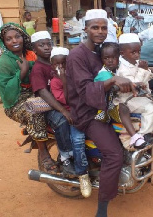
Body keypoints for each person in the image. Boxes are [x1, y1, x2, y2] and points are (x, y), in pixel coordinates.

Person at [65, 9, 136, 217]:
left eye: (104, 27)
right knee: (114, 154)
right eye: (95, 27)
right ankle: (102, 210)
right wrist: (113, 81)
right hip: (87, 113)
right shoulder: (77, 56)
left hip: (105, 105)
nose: (100, 31)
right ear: (85, 28)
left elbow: (114, 70)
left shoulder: (100, 51)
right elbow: (86, 90)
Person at [0, 23, 57, 173]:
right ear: (4, 42)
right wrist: (22, 72)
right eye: (9, 39)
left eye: (17, 36)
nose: (14, 41)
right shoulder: (4, 63)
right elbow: (7, 93)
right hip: (16, 102)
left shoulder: (32, 54)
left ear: (23, 37)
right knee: (34, 110)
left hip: (36, 92)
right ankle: (44, 153)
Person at [49, 46, 92, 198]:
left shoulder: (78, 76)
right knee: (78, 139)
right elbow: (66, 100)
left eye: (63, 64)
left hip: (84, 112)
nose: (60, 67)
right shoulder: (55, 82)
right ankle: (83, 175)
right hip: (73, 115)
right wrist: (64, 80)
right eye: (56, 64)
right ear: (52, 65)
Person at [94, 42, 147, 148]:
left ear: (119, 57)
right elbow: (117, 85)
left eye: (113, 57)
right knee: (123, 107)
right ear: (102, 59)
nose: (110, 60)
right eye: (106, 58)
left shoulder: (118, 68)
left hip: (118, 101)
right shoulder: (103, 74)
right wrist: (136, 84)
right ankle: (134, 136)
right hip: (107, 108)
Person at [115, 33, 153, 143]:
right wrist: (143, 70)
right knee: (150, 108)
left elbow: (144, 77)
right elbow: (134, 84)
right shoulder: (122, 69)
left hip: (136, 96)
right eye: (133, 52)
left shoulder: (133, 61)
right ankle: (144, 135)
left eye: (138, 52)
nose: (137, 55)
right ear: (122, 53)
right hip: (127, 100)